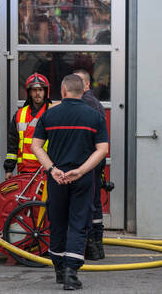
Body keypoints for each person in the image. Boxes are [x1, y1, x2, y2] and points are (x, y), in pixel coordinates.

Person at [31, 74, 108, 290]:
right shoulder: (94, 117)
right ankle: (71, 274)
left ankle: (58, 269)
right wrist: (81, 171)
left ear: (63, 92)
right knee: (78, 223)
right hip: (82, 178)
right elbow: (102, 150)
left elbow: (36, 146)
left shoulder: (50, 115)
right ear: (82, 91)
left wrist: (52, 169)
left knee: (57, 222)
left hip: (56, 179)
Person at [74, 69, 107, 260]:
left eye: (78, 82)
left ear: (86, 85)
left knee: (90, 202)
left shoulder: (86, 103)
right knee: (93, 201)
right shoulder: (93, 102)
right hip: (94, 159)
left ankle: (92, 246)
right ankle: (96, 247)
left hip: (89, 160)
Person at [4, 73, 51, 180]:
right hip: (24, 171)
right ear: (29, 92)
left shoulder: (52, 113)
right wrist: (9, 169)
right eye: (34, 90)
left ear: (45, 91)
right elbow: (12, 144)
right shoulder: (19, 114)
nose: (37, 93)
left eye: (40, 89)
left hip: (46, 170)